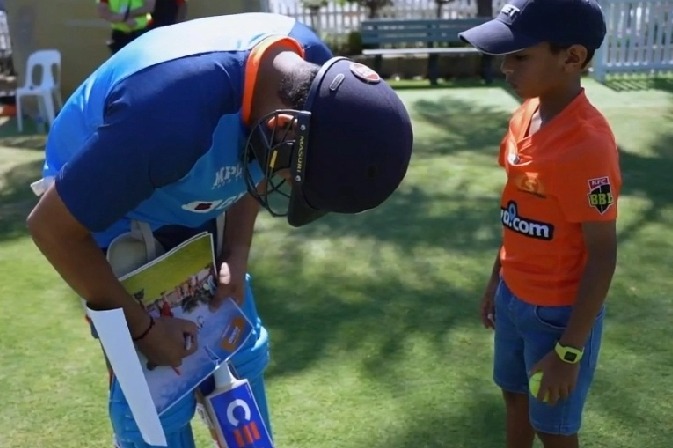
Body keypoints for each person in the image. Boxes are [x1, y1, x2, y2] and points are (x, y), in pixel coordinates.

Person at [26, 11, 412, 448]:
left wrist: (236, 250)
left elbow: (257, 155)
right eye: (291, 174)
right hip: (111, 202)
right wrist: (143, 330)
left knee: (240, 349)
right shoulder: (169, 115)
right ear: (285, 127)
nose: (282, 183)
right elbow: (52, 229)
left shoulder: (309, 77)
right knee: (154, 401)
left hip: (182, 174)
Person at [459, 1, 620, 448]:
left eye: (520, 56)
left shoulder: (588, 145)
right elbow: (515, 211)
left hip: (558, 319)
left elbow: (603, 255)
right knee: (514, 398)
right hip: (512, 297)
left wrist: (569, 352)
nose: (506, 68)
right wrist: (497, 280)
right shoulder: (524, 115)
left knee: (553, 430)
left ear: (572, 58)